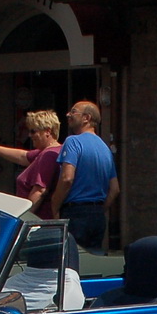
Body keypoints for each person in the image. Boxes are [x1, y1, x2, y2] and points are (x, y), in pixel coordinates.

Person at [54, 101, 118, 253]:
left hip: (75, 213)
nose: (68, 114)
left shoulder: (72, 142)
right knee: (92, 262)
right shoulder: (104, 148)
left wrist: (54, 205)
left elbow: (67, 178)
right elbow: (115, 189)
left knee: (71, 264)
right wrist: (99, 210)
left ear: (86, 118)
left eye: (73, 112)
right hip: (97, 216)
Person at [0, 109, 63, 218]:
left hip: (39, 220)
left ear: (48, 131)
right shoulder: (53, 151)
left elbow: (40, 190)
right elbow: (23, 156)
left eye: (33, 131)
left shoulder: (48, 155)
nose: (30, 135)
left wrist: (23, 216)